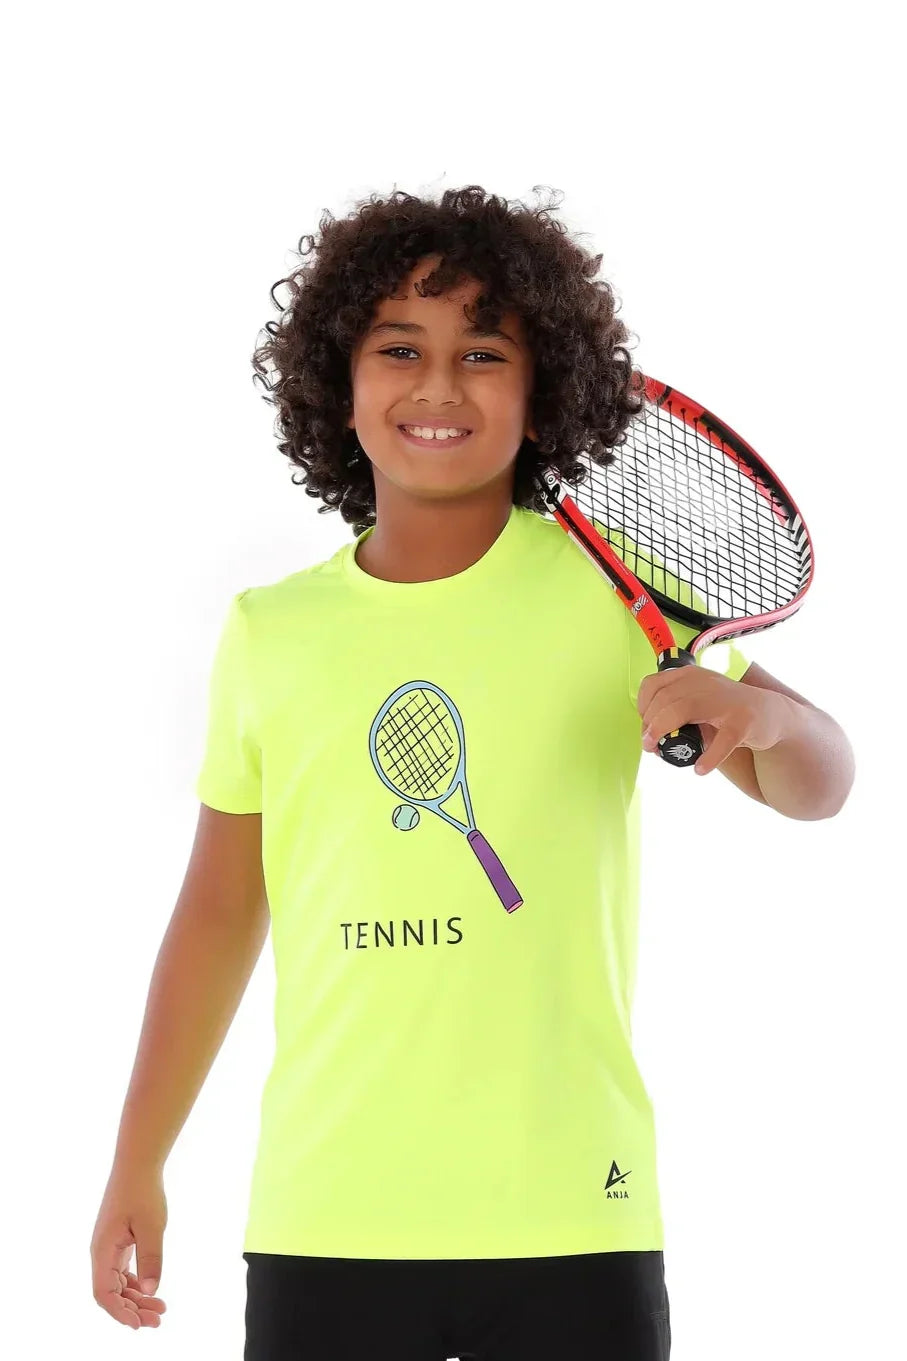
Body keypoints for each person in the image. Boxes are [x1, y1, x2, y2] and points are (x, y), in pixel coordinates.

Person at [90, 186, 855, 1360]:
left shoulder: (615, 596)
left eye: (482, 352)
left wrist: (751, 716)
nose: (438, 385)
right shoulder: (270, 631)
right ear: (335, 387)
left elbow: (824, 781)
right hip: (328, 1215)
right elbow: (218, 907)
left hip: (574, 1211)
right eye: (400, 347)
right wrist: (138, 1154)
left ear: (542, 392)